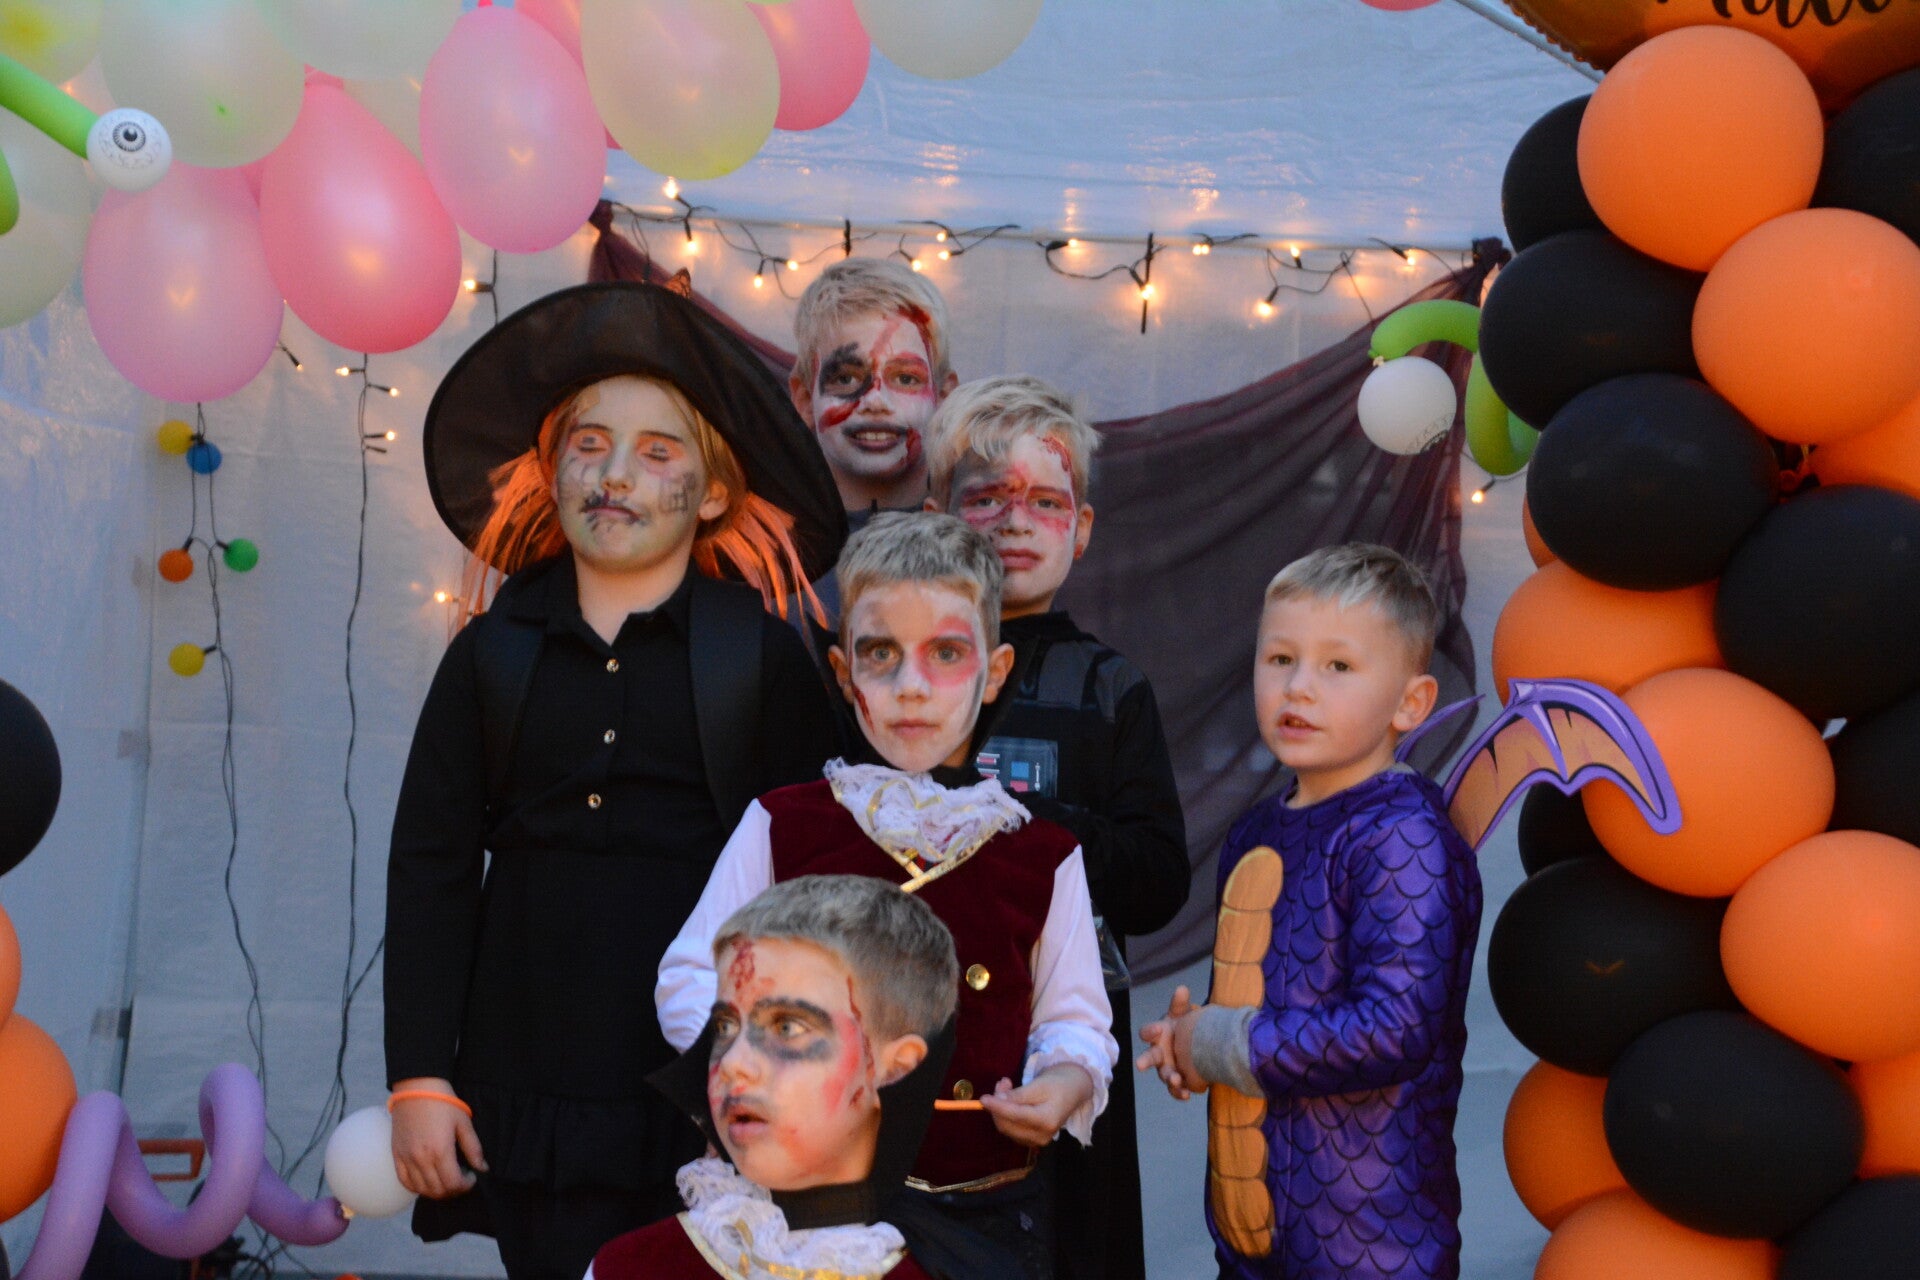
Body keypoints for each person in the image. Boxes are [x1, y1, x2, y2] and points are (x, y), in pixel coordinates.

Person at [385, 281, 847, 1280]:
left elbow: (816, 885)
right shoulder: (492, 654)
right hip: (526, 1083)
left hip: (703, 1088)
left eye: (659, 451)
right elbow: (430, 870)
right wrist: (418, 1075)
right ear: (550, 472)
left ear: (713, 492)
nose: (617, 475)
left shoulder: (759, 659)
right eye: (589, 445)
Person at [657, 512, 1117, 1280]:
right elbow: (689, 977)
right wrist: (753, 1068)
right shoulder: (781, 824)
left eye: (946, 653)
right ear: (844, 674)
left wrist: (1063, 1083)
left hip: (985, 1213)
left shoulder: (1044, 855)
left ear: (994, 671)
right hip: (804, 1209)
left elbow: (1074, 1021)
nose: (911, 687)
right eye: (881, 654)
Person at [1137, 544, 1483, 1280]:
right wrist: (1191, 1044)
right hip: (1254, 1230)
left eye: (1338, 666)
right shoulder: (1256, 831)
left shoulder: (1401, 835)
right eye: (1280, 659)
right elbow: (1264, 1006)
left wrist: (1219, 1042)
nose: (1298, 687)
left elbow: (1393, 1030)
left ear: (1411, 703)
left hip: (1368, 1243)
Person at [923, 375, 1188, 1280]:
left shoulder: (1111, 688)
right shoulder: (902, 673)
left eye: (1045, 501)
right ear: (938, 515)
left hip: (1069, 1047)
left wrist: (1029, 827)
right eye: (986, 498)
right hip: (922, 1032)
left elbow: (1158, 880)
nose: (1015, 521)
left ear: (1081, 529)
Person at [589, 874, 1014, 1280]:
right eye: (725, 1026)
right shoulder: (628, 1269)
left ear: (896, 1065)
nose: (734, 1063)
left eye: (787, 1027)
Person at [789, 258, 960, 524]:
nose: (875, 400)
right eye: (846, 378)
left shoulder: (987, 529)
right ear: (805, 401)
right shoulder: (764, 539)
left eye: (905, 378)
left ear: (944, 398)